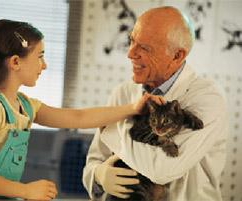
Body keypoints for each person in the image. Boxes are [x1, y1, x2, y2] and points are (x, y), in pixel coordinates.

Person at [0, 19, 163, 201]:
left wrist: (133, 109)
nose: (45, 65)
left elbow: (78, 117)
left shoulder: (25, 105)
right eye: (40, 56)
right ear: (15, 62)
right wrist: (26, 191)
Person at [82, 6, 228, 201]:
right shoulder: (123, 93)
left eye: (145, 48)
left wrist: (110, 129)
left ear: (177, 56)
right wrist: (99, 176)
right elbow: (94, 161)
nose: (130, 54)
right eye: (131, 41)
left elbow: (161, 170)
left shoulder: (207, 99)